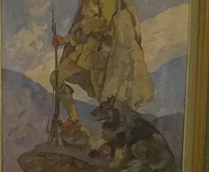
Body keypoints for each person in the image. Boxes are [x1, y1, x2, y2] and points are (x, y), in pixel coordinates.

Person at [49, 0, 153, 132]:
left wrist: (83, 25)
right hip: (85, 51)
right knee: (56, 78)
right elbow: (81, 29)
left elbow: (104, 21)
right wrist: (64, 40)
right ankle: (74, 119)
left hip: (102, 51)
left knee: (106, 98)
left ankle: (119, 135)